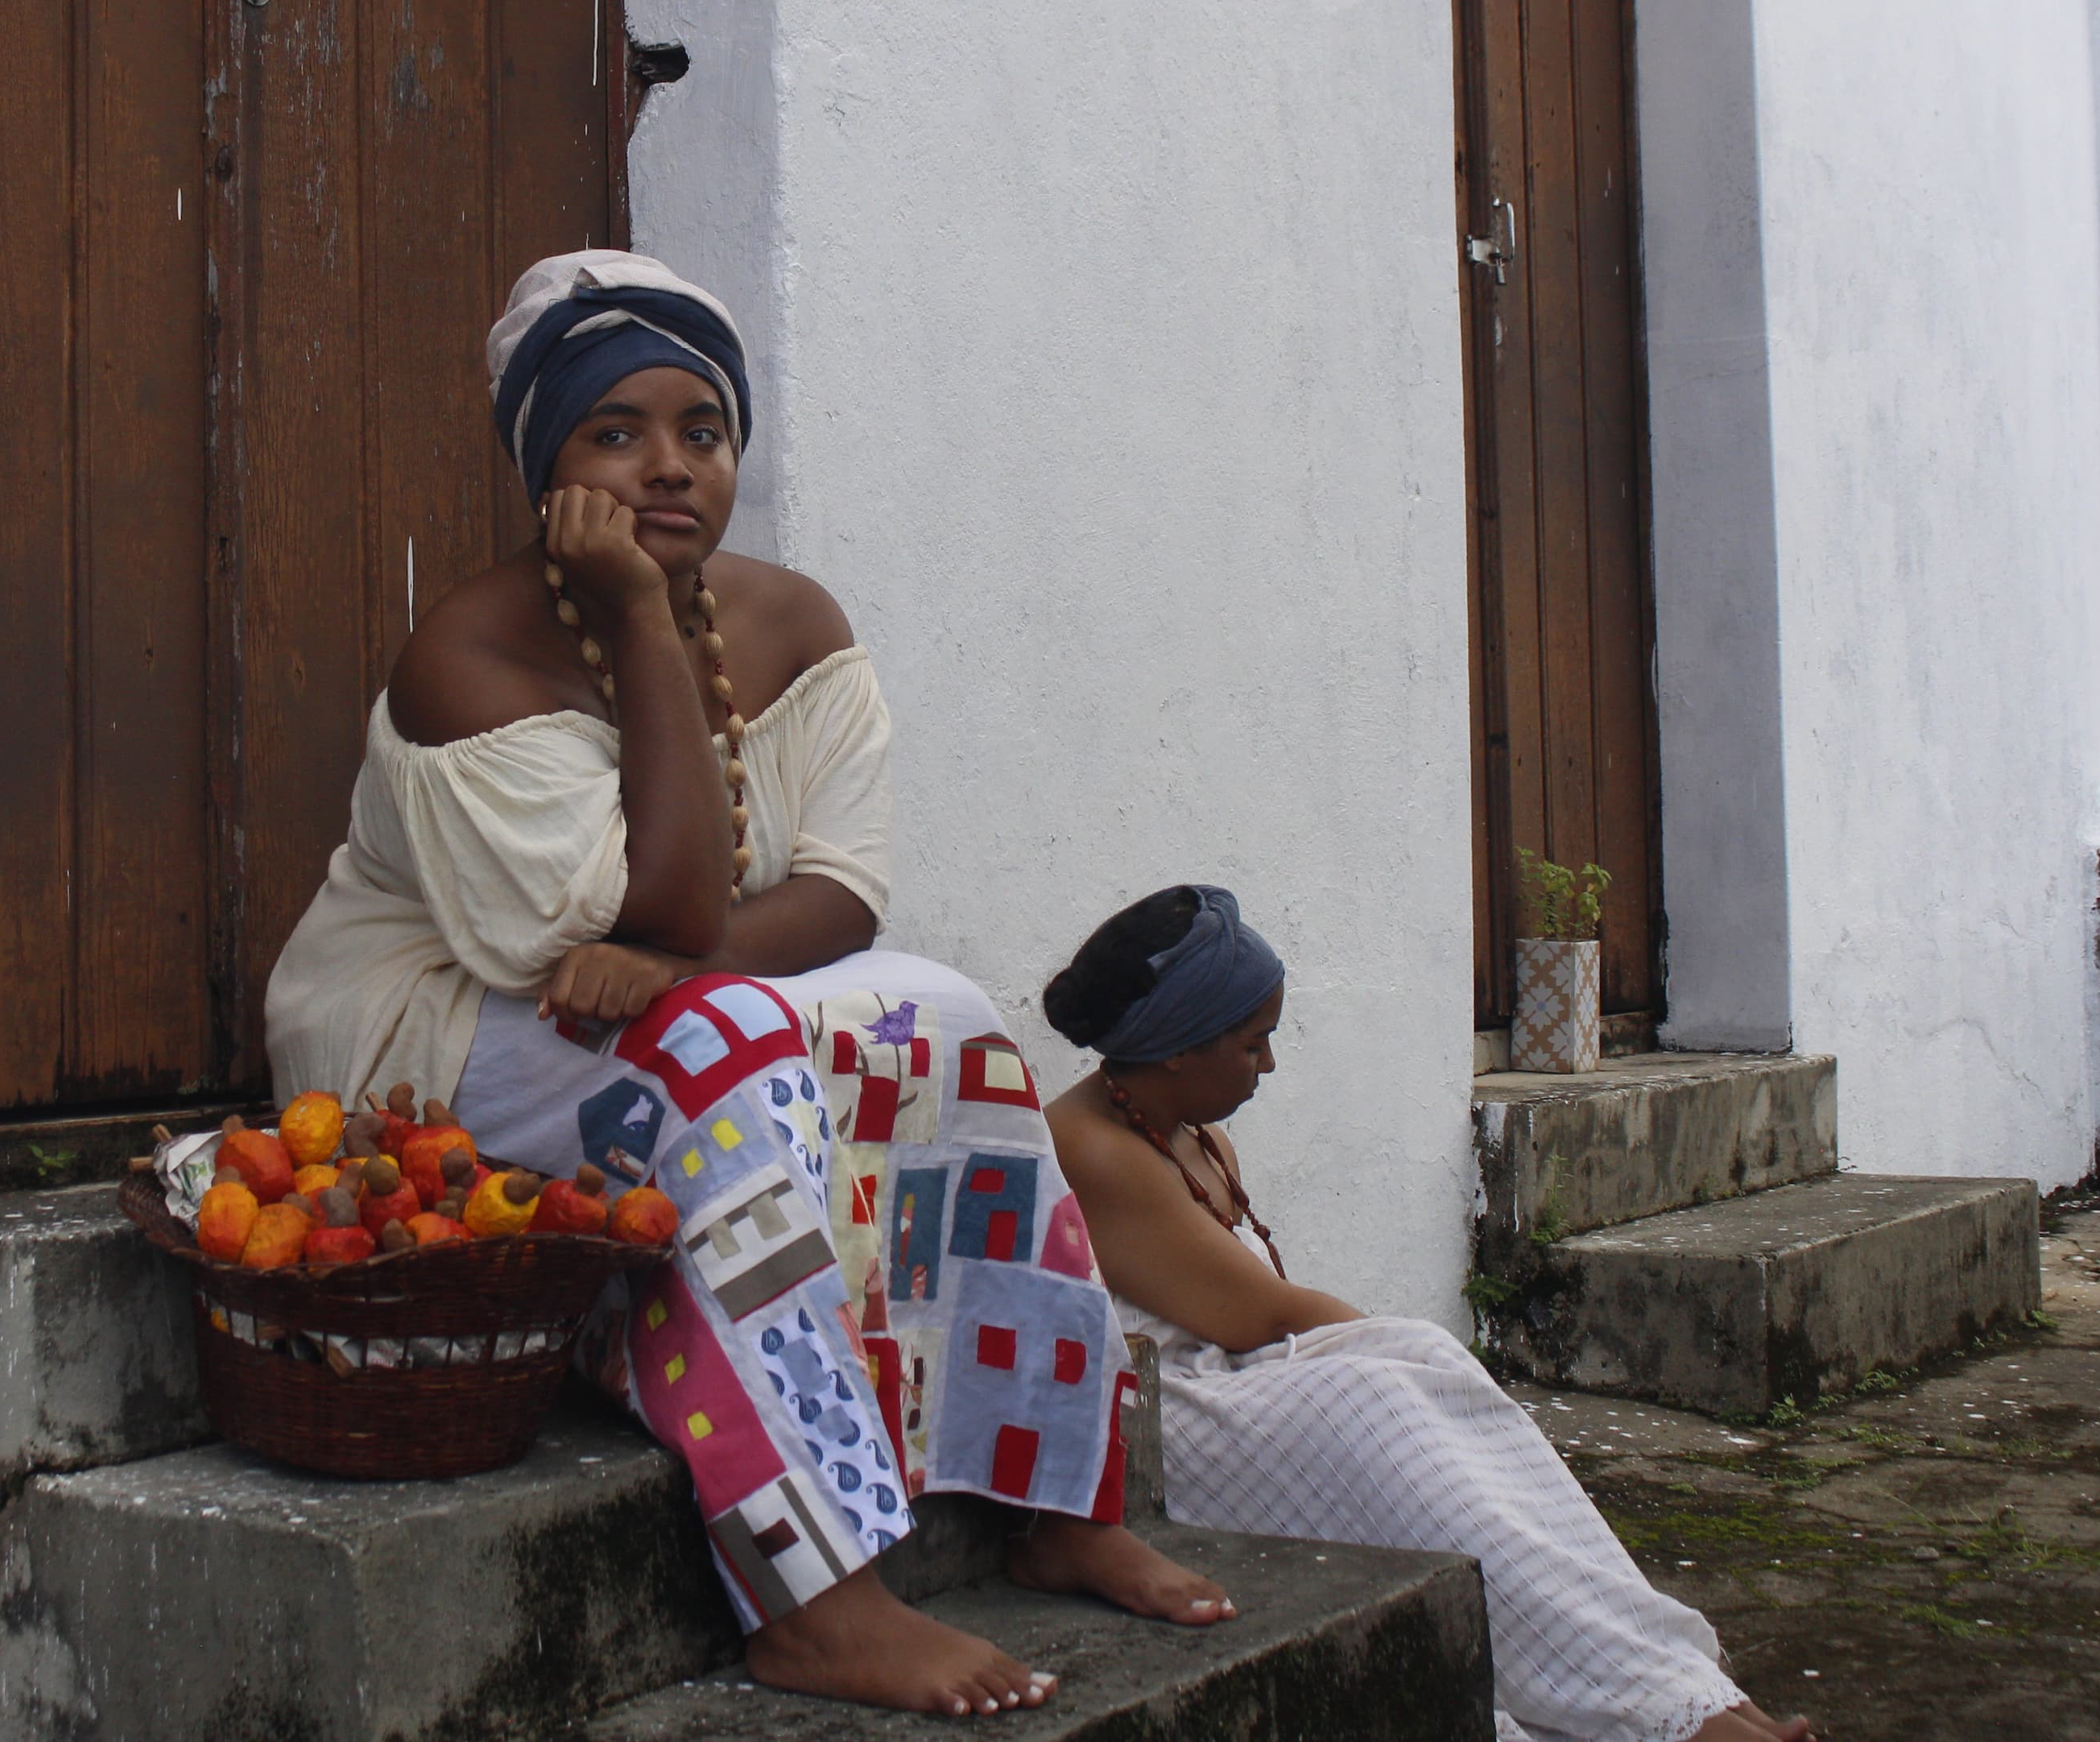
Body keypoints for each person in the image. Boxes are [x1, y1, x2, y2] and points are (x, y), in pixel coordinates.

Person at [266, 251, 1226, 1719]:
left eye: (701, 430)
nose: (667, 465)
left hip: (655, 991)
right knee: (715, 1051)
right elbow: (627, 925)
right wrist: (645, 626)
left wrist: (680, 953)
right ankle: (817, 1595)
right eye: (615, 431)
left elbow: (837, 891)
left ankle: (1053, 1493)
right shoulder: (465, 657)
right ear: (548, 464)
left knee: (949, 1022)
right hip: (442, 1023)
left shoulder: (798, 625)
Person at [1039, 883, 1819, 1742]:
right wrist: (1389, 1357)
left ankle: (1687, 1694)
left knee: (1437, 1393)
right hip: (1163, 1420)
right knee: (1388, 1393)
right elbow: (1255, 1317)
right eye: (1253, 1043)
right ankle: (1669, 1714)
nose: (1267, 1065)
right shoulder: (1090, 1150)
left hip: (1239, 1382)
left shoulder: (1193, 1133)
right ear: (1178, 1050)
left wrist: (1401, 1356)